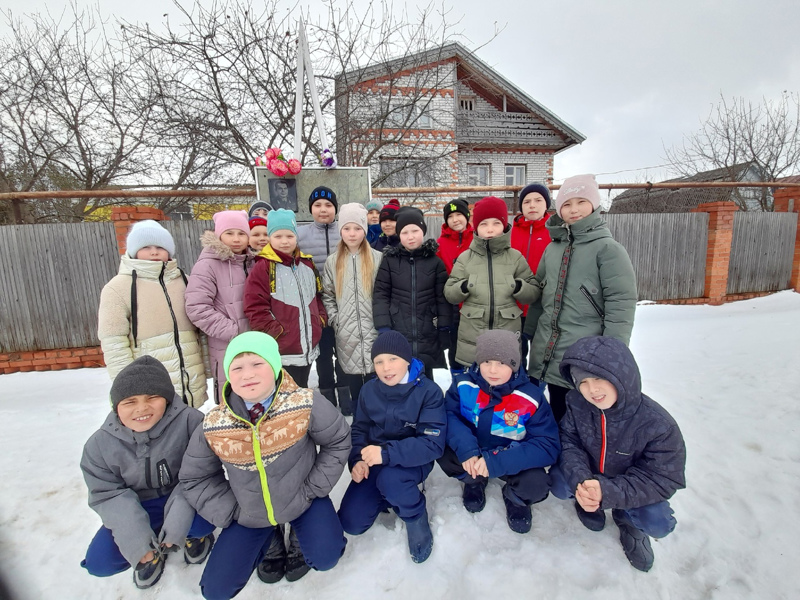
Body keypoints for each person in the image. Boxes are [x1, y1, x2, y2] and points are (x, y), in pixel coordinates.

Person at [180, 331, 350, 599]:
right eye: (237, 367)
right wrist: (232, 510)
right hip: (250, 515)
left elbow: (338, 440)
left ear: (274, 367)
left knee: (326, 556)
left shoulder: (305, 403)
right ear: (228, 374)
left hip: (302, 500)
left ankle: (297, 533)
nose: (247, 374)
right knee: (216, 590)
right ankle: (269, 540)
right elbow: (195, 477)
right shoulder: (214, 423)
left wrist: (312, 489)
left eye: (257, 364)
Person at [552, 336, 686, 572]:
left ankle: (629, 522)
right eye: (582, 382)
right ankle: (586, 502)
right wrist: (583, 482)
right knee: (558, 481)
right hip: (590, 475)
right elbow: (569, 442)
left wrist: (609, 492)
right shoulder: (576, 403)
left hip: (627, 484)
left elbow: (662, 478)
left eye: (599, 378)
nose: (591, 390)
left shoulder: (658, 424)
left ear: (622, 378)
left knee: (658, 523)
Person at [80, 356, 215, 589]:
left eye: (152, 397)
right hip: (138, 506)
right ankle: (150, 550)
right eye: (130, 401)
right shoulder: (99, 445)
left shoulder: (192, 423)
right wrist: (136, 542)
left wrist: (178, 524)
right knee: (100, 563)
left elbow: (199, 475)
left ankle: (194, 536)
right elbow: (107, 495)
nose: (142, 408)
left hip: (185, 496)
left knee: (205, 520)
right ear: (116, 406)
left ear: (168, 399)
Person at [524, 174, 637, 422]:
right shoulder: (553, 248)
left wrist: (613, 353)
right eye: (566, 204)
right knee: (552, 412)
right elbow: (539, 297)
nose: (573, 210)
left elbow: (621, 303)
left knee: (579, 418)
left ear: (594, 205)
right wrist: (527, 333)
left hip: (585, 354)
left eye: (581, 202)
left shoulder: (608, 250)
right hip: (546, 348)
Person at [338, 332, 446, 563]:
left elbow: (432, 444)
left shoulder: (429, 392)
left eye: (393, 359)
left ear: (407, 360)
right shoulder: (368, 391)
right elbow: (359, 430)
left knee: (391, 480)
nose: (386, 368)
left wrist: (386, 454)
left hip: (411, 460)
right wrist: (356, 460)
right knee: (352, 522)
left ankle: (415, 514)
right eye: (379, 361)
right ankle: (388, 496)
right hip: (374, 459)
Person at [438, 330, 560, 534]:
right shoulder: (464, 384)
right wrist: (468, 450)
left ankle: (516, 498)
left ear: (514, 364)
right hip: (474, 456)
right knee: (443, 449)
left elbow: (548, 445)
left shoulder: (530, 397)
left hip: (511, 459)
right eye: (487, 362)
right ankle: (474, 481)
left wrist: (497, 461)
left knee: (537, 484)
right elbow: (449, 415)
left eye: (502, 363)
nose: (493, 370)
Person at [98, 220, 208, 407]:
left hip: (191, 378)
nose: (154, 252)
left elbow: (202, 329)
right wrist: (127, 384)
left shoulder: (186, 281)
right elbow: (113, 341)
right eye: (146, 247)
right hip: (148, 382)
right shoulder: (118, 288)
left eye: (160, 246)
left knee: (191, 427)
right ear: (133, 251)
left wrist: (208, 366)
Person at [444, 196, 538, 369]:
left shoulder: (515, 257)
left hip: (506, 333)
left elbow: (533, 291)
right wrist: (464, 287)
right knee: (476, 388)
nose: (490, 229)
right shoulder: (465, 258)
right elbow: (449, 292)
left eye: (496, 223)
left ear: (504, 225)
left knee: (504, 384)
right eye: (484, 224)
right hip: (473, 336)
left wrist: (518, 287)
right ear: (476, 227)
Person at [244, 209, 327, 388]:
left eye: (289, 236)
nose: (284, 241)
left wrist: (319, 320)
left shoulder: (307, 264)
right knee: (284, 394)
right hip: (283, 349)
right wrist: (276, 331)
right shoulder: (264, 267)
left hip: (308, 345)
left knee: (302, 390)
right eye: (278, 236)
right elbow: (255, 306)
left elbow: (317, 297)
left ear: (296, 237)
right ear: (270, 238)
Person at [372, 206, 451, 380]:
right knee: (402, 374)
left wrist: (444, 326)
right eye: (405, 232)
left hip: (427, 328)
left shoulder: (435, 262)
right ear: (399, 235)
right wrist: (384, 326)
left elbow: (442, 297)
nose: (410, 236)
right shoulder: (390, 261)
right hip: (399, 327)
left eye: (415, 230)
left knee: (425, 375)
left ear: (422, 231)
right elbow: (381, 294)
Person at [185, 210, 254, 404]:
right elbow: (197, 307)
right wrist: (235, 331)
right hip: (227, 344)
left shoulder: (251, 262)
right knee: (232, 398)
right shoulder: (207, 265)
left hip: (255, 342)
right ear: (218, 235)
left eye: (241, 233)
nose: (236, 239)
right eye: (229, 233)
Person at [321, 203, 383, 414]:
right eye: (347, 228)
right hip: (346, 334)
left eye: (357, 228)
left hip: (373, 330)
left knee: (378, 384)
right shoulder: (333, 262)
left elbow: (383, 293)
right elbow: (327, 295)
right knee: (355, 387)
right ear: (340, 230)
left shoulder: (377, 259)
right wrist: (336, 319)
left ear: (364, 230)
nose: (352, 233)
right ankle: (360, 425)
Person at [297, 186, 347, 408]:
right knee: (323, 355)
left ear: (335, 208)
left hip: (344, 304)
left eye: (328, 205)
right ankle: (327, 400)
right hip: (316, 307)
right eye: (317, 205)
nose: (323, 209)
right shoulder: (301, 235)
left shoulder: (345, 232)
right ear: (311, 209)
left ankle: (347, 398)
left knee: (345, 352)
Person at [510, 183, 552, 372]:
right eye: (527, 201)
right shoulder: (511, 233)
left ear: (546, 204)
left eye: (538, 200)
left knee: (540, 353)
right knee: (516, 353)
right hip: (514, 305)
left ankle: (536, 388)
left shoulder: (555, 232)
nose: (532, 205)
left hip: (543, 306)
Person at [436, 199, 474, 376]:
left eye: (459, 214)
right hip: (452, 307)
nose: (455, 219)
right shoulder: (441, 243)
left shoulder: (477, 239)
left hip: (475, 305)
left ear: (467, 216)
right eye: (450, 216)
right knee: (455, 348)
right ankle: (457, 382)